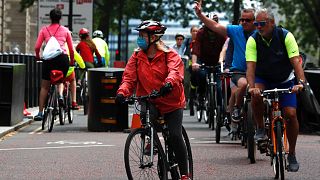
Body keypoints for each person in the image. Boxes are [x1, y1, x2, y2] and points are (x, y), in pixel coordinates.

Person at [115, 20, 190, 180]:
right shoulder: (136, 56)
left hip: (171, 102)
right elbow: (129, 78)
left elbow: (175, 71)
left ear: (154, 38)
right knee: (146, 117)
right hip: (150, 100)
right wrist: (122, 93)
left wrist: (168, 84)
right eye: (139, 35)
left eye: (143, 35)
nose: (139, 39)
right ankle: (151, 138)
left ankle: (185, 174)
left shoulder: (169, 55)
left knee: (176, 135)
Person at [246, 8, 305, 172]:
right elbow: (250, 68)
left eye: (262, 23)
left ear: (272, 23)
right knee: (256, 95)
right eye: (256, 24)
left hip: (284, 78)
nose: (258, 27)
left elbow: (296, 62)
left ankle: (291, 153)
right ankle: (259, 128)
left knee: (291, 114)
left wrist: (300, 83)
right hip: (263, 78)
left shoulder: (286, 36)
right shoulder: (252, 40)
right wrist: (251, 88)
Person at [194, 2, 256, 122]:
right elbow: (215, 27)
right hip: (239, 71)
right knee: (242, 85)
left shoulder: (260, 33)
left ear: (254, 21)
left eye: (247, 20)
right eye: (241, 20)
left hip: (257, 71)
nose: (243, 22)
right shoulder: (235, 30)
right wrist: (200, 14)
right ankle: (236, 108)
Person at [34, 8, 74, 121]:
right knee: (61, 80)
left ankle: (40, 112)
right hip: (62, 59)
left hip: (49, 59)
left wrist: (37, 56)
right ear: (60, 18)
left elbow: (37, 47)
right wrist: (71, 62)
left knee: (45, 86)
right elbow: (71, 50)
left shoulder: (44, 30)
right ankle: (60, 95)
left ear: (50, 18)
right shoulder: (66, 31)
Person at [191, 12, 226, 114]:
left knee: (219, 88)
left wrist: (224, 62)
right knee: (201, 75)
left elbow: (226, 48)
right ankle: (201, 96)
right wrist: (194, 63)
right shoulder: (201, 33)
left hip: (218, 62)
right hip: (204, 62)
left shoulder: (221, 33)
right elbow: (195, 49)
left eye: (214, 22)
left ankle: (221, 111)